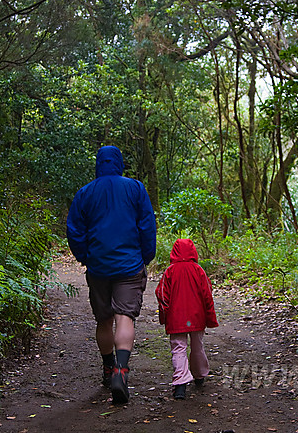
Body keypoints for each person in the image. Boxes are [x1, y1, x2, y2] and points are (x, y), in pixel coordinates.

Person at [66, 145, 157, 405]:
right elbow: (147, 225)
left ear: (98, 164)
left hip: (99, 268)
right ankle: (121, 371)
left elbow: (74, 230)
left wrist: (86, 257)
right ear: (119, 162)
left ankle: (108, 368)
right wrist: (144, 258)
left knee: (104, 320)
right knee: (125, 316)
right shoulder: (136, 188)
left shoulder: (85, 193)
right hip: (129, 266)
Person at [154, 238, 219, 400]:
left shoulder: (170, 271)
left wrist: (165, 315)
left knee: (178, 348)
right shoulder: (199, 270)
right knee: (197, 346)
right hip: (197, 317)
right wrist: (210, 317)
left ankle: (180, 384)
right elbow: (207, 295)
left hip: (176, 318)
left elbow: (162, 295)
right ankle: (199, 375)